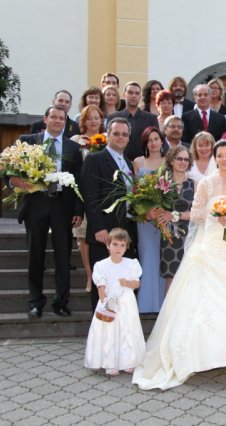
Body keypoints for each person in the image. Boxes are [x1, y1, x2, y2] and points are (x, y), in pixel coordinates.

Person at [133, 141, 226, 390]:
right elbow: (195, 214)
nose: (225, 159)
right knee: (209, 297)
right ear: (215, 158)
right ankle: (205, 352)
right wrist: (217, 215)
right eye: (220, 155)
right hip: (211, 245)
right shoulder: (207, 183)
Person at [14, 105, 84, 318]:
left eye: (62, 118)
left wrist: (78, 210)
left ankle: (60, 302)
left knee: (63, 257)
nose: (57, 121)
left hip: (62, 206)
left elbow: (79, 180)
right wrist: (14, 181)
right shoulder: (28, 141)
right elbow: (10, 169)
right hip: (36, 203)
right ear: (45, 119)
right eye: (54, 117)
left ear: (65, 122)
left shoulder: (73, 148)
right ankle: (35, 302)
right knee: (35, 255)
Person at [81, 117, 139, 310]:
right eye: (116, 133)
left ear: (129, 138)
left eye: (124, 134)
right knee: (103, 281)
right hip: (104, 231)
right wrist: (98, 227)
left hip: (126, 230)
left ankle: (120, 322)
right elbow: (90, 196)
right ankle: (101, 322)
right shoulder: (95, 159)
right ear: (107, 135)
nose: (121, 137)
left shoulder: (128, 163)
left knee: (122, 281)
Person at [84, 227, 145, 376]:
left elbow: (137, 284)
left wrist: (127, 283)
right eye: (115, 244)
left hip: (126, 303)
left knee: (127, 330)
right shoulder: (101, 266)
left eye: (122, 245)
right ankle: (109, 362)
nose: (119, 248)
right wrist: (105, 302)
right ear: (108, 245)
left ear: (126, 247)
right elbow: (101, 286)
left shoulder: (131, 264)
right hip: (110, 302)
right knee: (109, 331)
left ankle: (128, 361)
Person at [71, 105, 105, 292]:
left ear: (101, 120)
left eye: (96, 117)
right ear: (83, 121)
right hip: (82, 193)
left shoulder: (108, 138)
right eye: (89, 118)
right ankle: (89, 276)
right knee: (83, 237)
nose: (93, 121)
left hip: (102, 195)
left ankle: (102, 276)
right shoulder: (76, 141)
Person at [132, 126, 167, 313]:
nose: (153, 143)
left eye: (156, 139)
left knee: (163, 258)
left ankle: (162, 303)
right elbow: (135, 192)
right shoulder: (138, 162)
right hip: (145, 220)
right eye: (149, 140)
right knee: (147, 258)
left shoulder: (168, 161)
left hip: (164, 218)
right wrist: (144, 211)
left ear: (162, 141)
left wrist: (163, 210)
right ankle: (146, 304)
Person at [157, 146, 194, 292]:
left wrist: (173, 215)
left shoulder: (194, 184)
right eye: (179, 158)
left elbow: (198, 213)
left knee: (190, 279)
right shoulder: (161, 184)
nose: (183, 162)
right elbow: (155, 209)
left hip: (190, 237)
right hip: (169, 238)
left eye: (186, 159)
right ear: (171, 161)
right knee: (171, 280)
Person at [107, 82, 159, 161]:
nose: (134, 96)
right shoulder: (113, 118)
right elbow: (108, 141)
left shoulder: (151, 118)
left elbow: (156, 141)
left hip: (144, 162)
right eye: (130, 92)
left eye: (137, 93)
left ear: (140, 96)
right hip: (117, 161)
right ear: (124, 95)